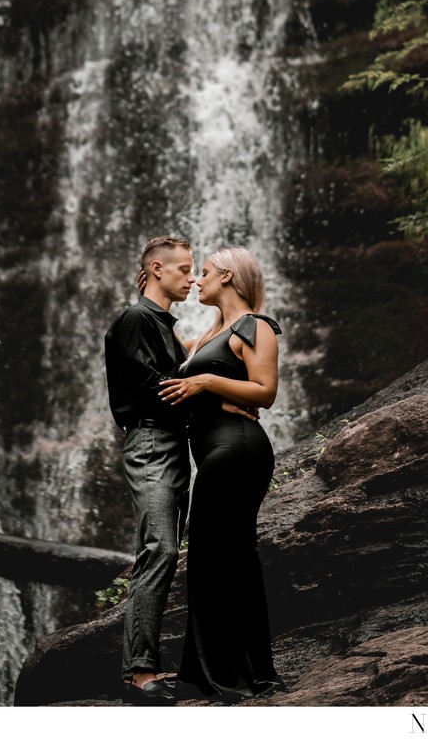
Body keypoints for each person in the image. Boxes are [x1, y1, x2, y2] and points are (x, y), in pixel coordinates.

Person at [104, 237, 259, 706]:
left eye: (197, 270)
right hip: (152, 442)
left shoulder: (161, 324)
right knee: (161, 549)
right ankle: (139, 675)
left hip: (170, 445)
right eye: (185, 269)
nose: (192, 278)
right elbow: (157, 388)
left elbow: (180, 374)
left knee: (166, 549)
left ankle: (152, 666)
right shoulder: (136, 319)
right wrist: (227, 396)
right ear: (156, 269)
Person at [159, 246, 284, 704]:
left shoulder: (256, 326)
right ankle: (240, 671)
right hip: (218, 450)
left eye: (205, 273)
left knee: (217, 556)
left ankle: (228, 675)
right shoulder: (216, 331)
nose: (197, 281)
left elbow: (265, 391)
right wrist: (157, 300)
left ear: (228, 277)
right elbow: (174, 355)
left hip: (238, 450)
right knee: (227, 558)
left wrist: (208, 384)